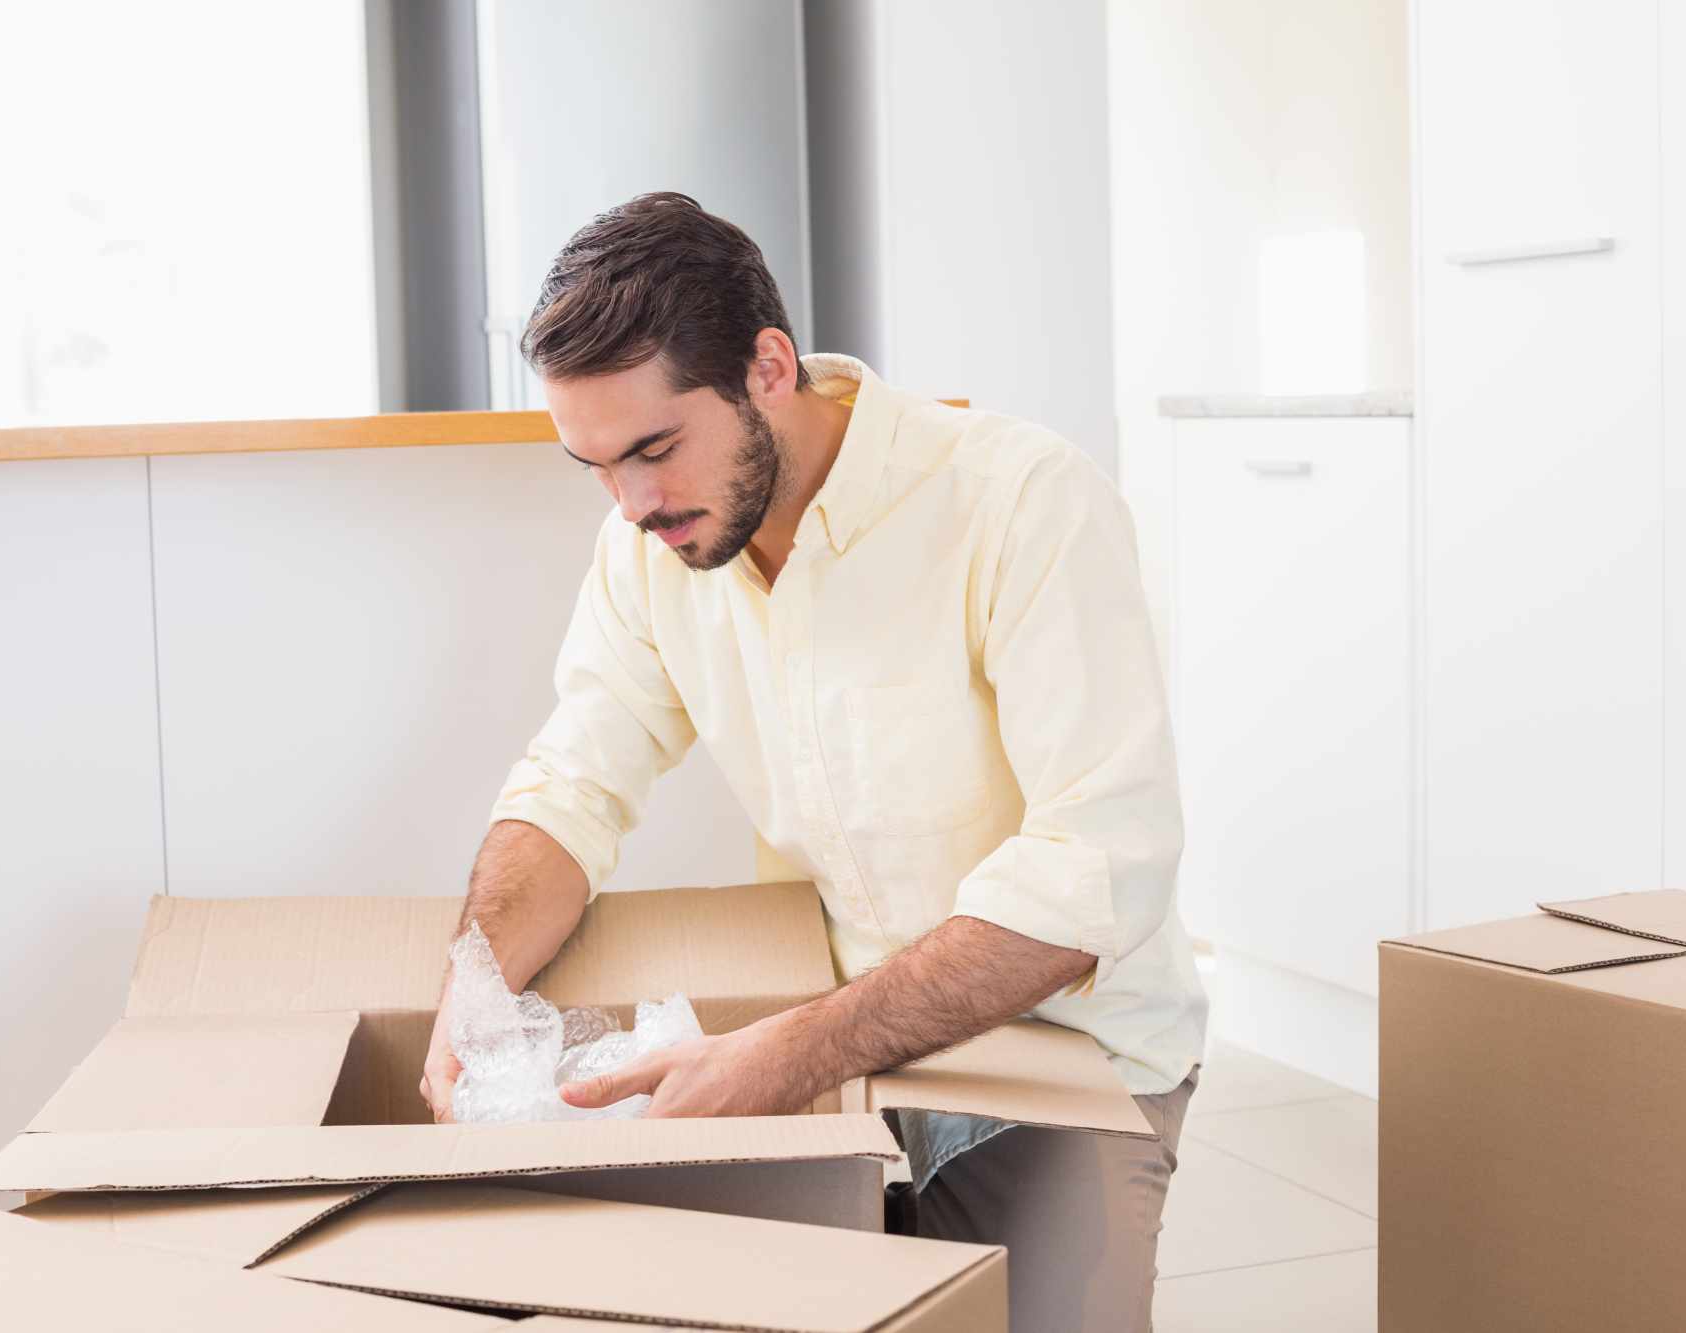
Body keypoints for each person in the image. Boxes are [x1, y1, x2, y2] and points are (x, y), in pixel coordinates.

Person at [419, 191, 1207, 1332]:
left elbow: (1095, 869)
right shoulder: (650, 550)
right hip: (836, 1036)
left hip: (1056, 1051)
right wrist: (472, 985)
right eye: (594, 465)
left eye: (653, 449)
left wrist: (789, 1054)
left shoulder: (1022, 501)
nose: (632, 504)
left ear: (770, 368)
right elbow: (576, 781)